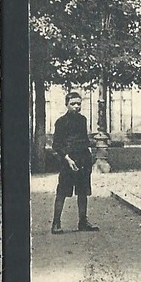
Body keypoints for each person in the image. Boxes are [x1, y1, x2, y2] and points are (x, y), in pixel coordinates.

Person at [50, 91, 99, 234]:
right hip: (68, 161)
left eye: (79, 104)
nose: (76, 106)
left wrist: (90, 148)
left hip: (83, 159)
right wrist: (68, 159)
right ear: (67, 105)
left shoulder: (82, 120)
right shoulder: (61, 122)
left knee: (83, 191)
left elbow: (83, 139)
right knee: (62, 192)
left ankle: (83, 222)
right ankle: (56, 223)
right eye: (73, 104)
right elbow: (57, 144)